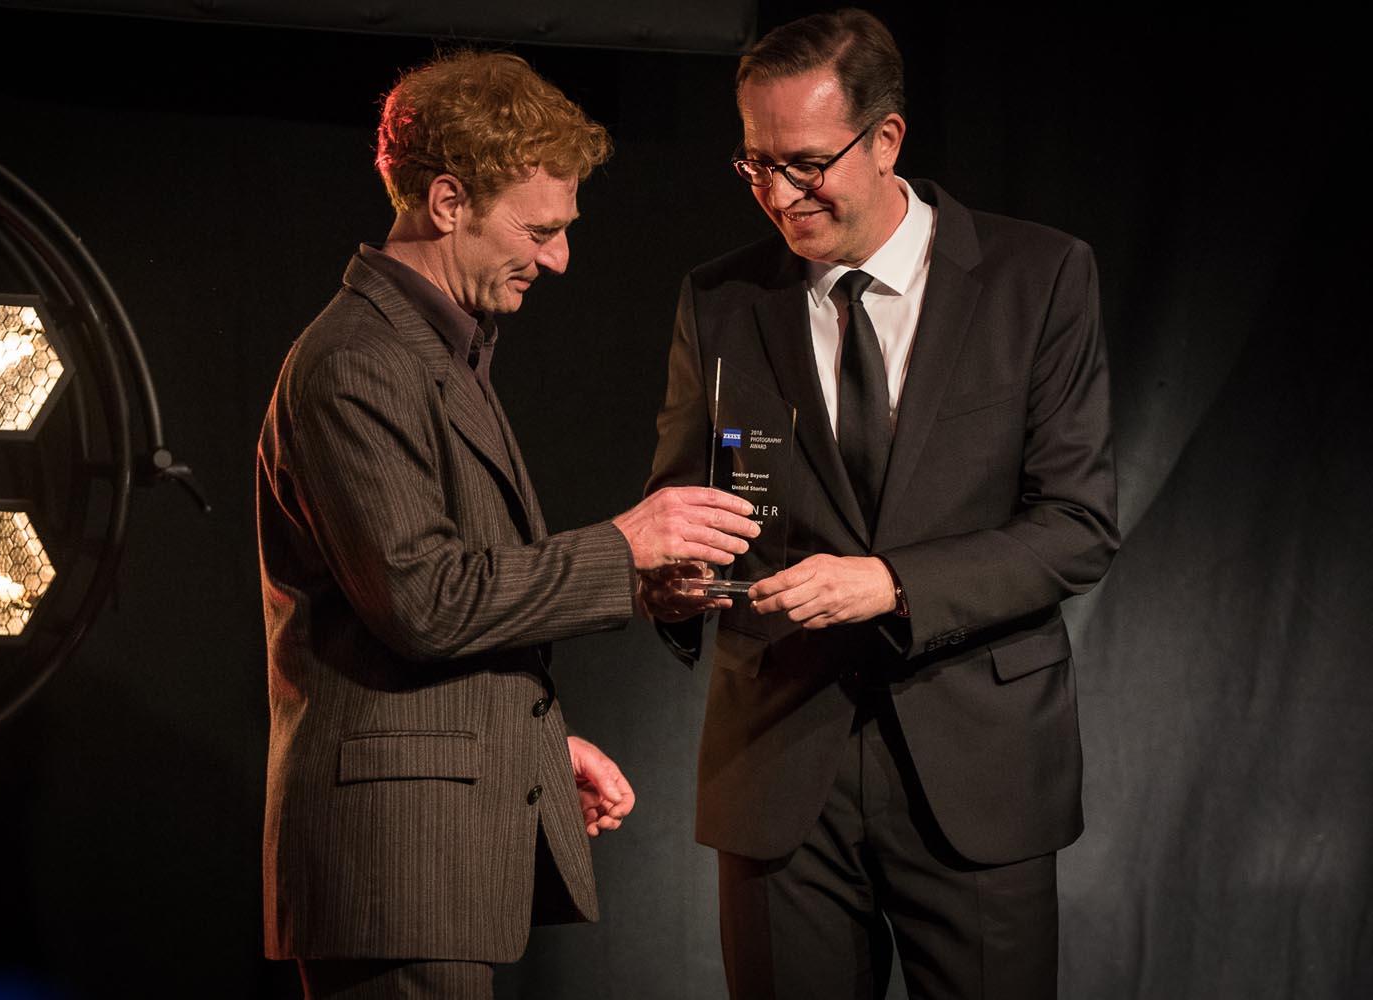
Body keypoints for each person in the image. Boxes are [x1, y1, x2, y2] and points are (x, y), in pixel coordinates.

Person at [256, 50, 759, 999]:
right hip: (394, 866)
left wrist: (525, 746)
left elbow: (436, 603)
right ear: (448, 203)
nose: (560, 258)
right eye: (540, 230)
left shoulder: (435, 350)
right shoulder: (357, 361)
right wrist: (626, 544)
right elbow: (427, 601)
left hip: (429, 853)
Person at [643, 10, 1119, 999]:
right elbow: (676, 503)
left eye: (807, 163)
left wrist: (892, 583)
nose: (779, 194)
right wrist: (671, 579)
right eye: (757, 164)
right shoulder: (720, 300)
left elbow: (1076, 524)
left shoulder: (1037, 279)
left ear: (887, 138)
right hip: (777, 766)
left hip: (977, 768)